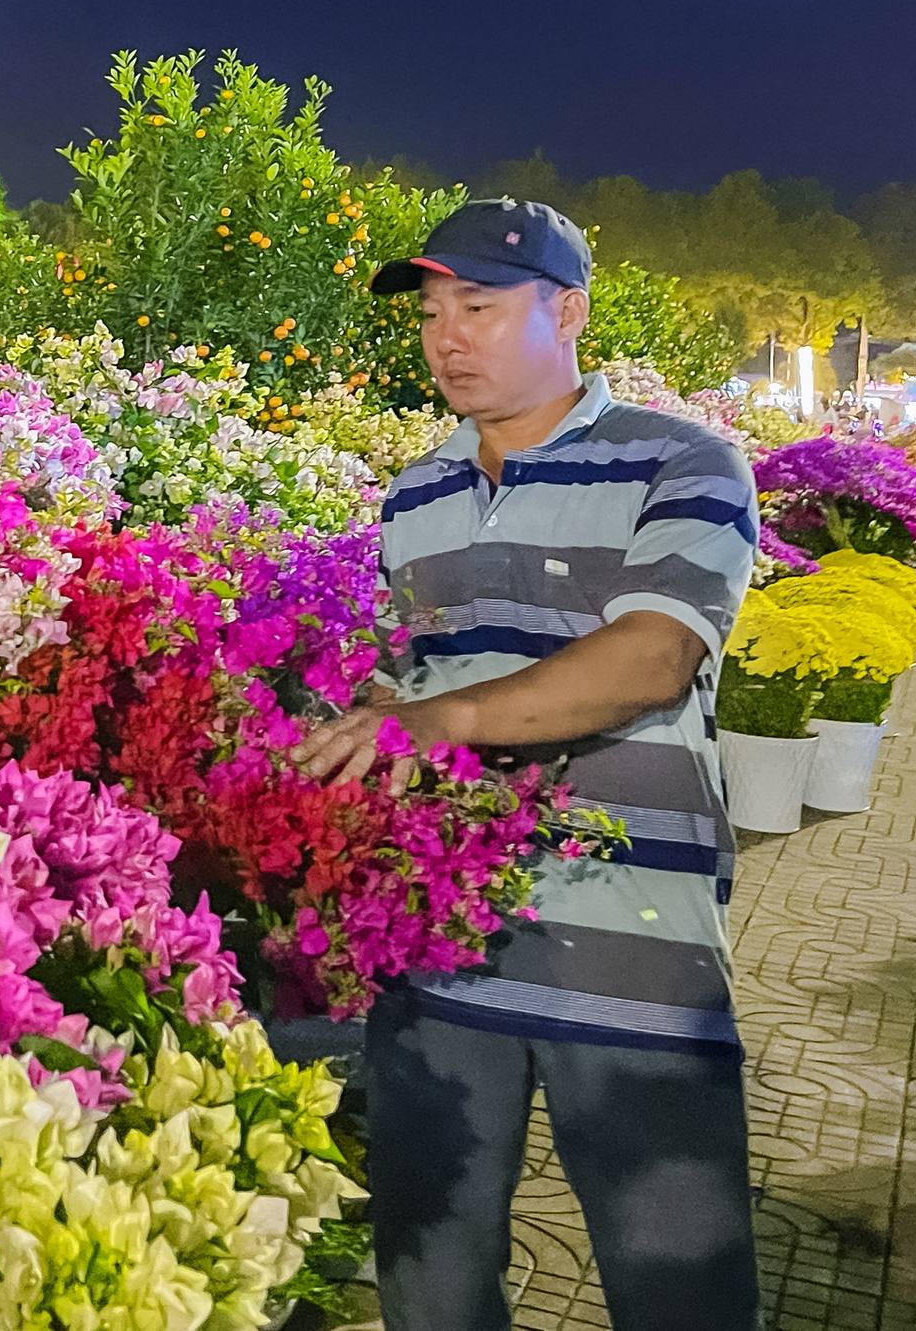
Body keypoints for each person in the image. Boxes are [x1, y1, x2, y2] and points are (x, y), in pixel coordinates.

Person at [296, 198, 761, 1331]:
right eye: (431, 311)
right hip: (441, 947)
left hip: (632, 947)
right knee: (430, 1282)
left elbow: (650, 660)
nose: (446, 335)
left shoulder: (683, 462)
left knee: (678, 1287)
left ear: (568, 311)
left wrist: (437, 721)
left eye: (481, 305)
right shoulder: (414, 494)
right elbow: (412, 686)